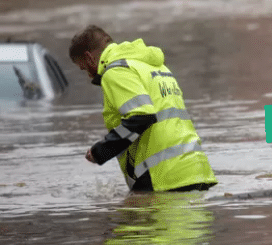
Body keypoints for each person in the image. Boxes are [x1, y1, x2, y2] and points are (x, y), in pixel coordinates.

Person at [69, 25, 217, 192]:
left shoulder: (116, 71)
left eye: (83, 68)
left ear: (89, 58)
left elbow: (140, 117)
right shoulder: (153, 67)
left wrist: (100, 151)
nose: (89, 75)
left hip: (163, 178)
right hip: (195, 169)